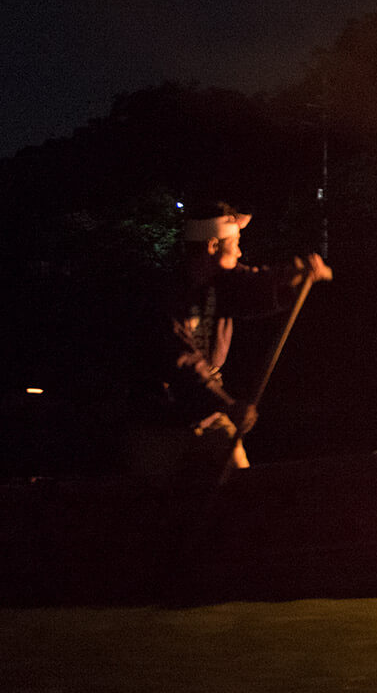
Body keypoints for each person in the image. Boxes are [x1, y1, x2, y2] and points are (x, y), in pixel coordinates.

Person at [130, 202, 332, 485]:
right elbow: (183, 362)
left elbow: (256, 284)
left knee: (242, 487)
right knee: (147, 499)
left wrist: (295, 274)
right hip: (161, 422)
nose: (239, 252)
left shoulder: (223, 282)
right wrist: (228, 405)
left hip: (209, 415)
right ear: (213, 246)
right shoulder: (166, 295)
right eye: (235, 243)